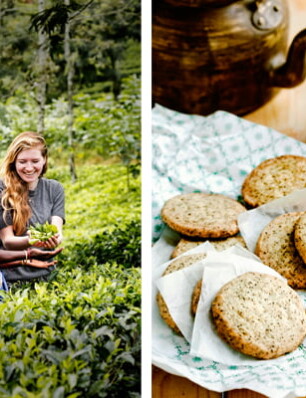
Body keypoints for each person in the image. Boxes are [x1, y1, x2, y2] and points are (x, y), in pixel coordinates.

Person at [0, 131, 65, 284]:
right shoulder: (2, 190)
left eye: (35, 161)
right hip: (10, 278)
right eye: (22, 162)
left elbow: (57, 230)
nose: (29, 168)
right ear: (14, 162)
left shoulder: (54, 189)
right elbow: (8, 241)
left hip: (46, 275)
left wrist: (54, 239)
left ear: (44, 160)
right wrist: (33, 240)